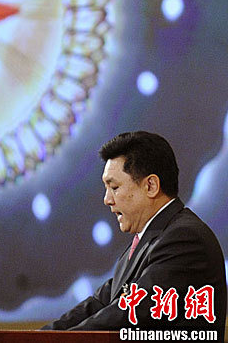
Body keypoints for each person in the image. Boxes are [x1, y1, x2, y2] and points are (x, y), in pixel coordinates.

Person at [43, 131, 227, 336]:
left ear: (151, 186)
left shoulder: (185, 239)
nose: (107, 200)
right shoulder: (145, 242)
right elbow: (98, 304)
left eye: (114, 187)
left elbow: (128, 314)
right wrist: (39, 336)